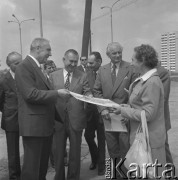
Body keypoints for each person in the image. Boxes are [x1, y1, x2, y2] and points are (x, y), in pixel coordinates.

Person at [15, 37, 69, 180]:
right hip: (34, 128)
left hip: (44, 127)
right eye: (48, 50)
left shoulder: (37, 67)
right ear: (37, 48)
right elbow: (30, 94)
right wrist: (57, 93)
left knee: (41, 169)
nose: (50, 54)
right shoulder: (24, 67)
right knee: (31, 170)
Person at [112, 44, 167, 179]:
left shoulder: (152, 82)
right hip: (142, 138)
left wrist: (123, 110)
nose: (131, 64)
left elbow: (148, 114)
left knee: (153, 175)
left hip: (150, 141)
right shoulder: (143, 80)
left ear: (142, 61)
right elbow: (140, 106)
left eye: (133, 60)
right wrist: (128, 106)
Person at [93, 42, 137, 179]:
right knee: (111, 149)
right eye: (114, 53)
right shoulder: (102, 70)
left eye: (119, 52)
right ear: (108, 55)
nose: (117, 55)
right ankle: (113, 175)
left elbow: (136, 92)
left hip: (124, 115)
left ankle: (126, 175)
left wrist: (128, 111)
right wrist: (102, 109)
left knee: (125, 148)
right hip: (108, 117)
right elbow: (96, 91)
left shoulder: (131, 68)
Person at [50, 49, 92, 180]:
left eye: (75, 61)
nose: (73, 64)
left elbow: (87, 91)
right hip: (58, 119)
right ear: (63, 60)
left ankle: (73, 177)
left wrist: (89, 95)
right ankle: (59, 177)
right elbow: (49, 95)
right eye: (71, 61)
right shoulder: (53, 76)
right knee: (58, 152)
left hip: (76, 119)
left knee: (75, 152)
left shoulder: (82, 75)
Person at [0, 52, 22, 180]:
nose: (20, 65)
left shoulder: (27, 76)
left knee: (30, 147)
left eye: (21, 62)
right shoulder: (3, 80)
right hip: (11, 119)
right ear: (9, 65)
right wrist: (8, 110)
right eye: (16, 63)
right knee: (13, 151)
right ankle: (14, 176)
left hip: (26, 118)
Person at [84, 51, 106, 175]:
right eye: (88, 62)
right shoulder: (86, 74)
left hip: (103, 112)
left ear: (99, 61)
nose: (89, 65)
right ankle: (95, 158)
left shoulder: (106, 73)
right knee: (88, 136)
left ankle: (101, 166)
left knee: (102, 140)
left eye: (91, 63)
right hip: (90, 112)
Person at [157, 63, 173, 164]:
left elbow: (163, 98)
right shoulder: (141, 70)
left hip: (159, 117)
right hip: (149, 115)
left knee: (163, 145)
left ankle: (170, 171)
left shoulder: (161, 72)